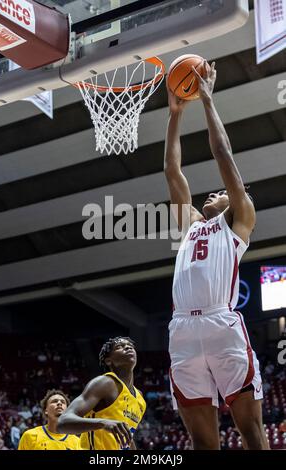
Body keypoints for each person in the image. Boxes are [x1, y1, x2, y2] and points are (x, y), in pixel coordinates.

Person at [164, 60, 269, 450]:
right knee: (203, 443)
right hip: (182, 332)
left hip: (221, 325)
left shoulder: (240, 219)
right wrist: (175, 115)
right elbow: (172, 172)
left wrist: (208, 101)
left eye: (220, 194)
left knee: (251, 432)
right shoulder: (190, 224)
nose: (213, 194)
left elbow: (223, 153)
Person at [57, 337, 146, 450]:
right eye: (119, 347)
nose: (128, 347)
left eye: (130, 346)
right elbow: (62, 423)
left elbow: (127, 437)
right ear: (109, 360)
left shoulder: (140, 398)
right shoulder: (105, 383)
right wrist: (103, 423)